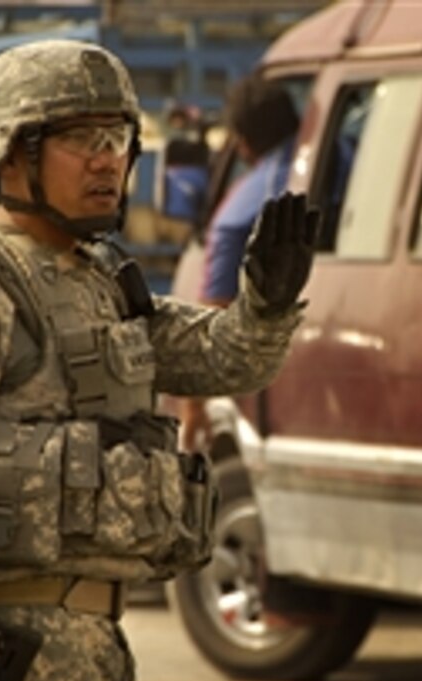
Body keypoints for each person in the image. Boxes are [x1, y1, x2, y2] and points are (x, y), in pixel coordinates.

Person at [0, 39, 316, 681]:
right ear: (12, 153)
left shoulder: (98, 282)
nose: (108, 158)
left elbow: (224, 359)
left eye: (118, 137)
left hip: (86, 665)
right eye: (79, 139)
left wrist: (266, 305)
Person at [181, 75, 300, 449]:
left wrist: (193, 410)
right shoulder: (347, 156)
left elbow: (212, 323)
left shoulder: (241, 212)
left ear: (243, 145)